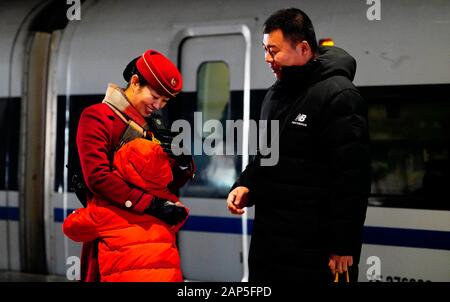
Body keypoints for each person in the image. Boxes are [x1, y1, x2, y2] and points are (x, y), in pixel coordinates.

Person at [227, 8, 371, 282]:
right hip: (270, 245)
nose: (267, 58)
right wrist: (246, 184)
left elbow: (352, 179)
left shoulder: (340, 95)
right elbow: (266, 156)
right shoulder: (274, 95)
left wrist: (343, 245)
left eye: (274, 50)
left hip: (316, 252)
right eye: (265, 49)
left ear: (303, 48)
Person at [74, 49, 194, 281]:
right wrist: (151, 205)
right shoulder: (97, 117)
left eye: (165, 101)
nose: (158, 105)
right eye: (155, 96)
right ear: (135, 82)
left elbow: (164, 182)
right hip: (112, 235)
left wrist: (181, 163)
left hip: (150, 241)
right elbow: (98, 177)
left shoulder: (153, 127)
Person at [64, 138, 188, 281]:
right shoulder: (166, 203)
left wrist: (90, 203)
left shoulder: (106, 209)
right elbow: (180, 216)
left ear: (122, 163)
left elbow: (71, 227)